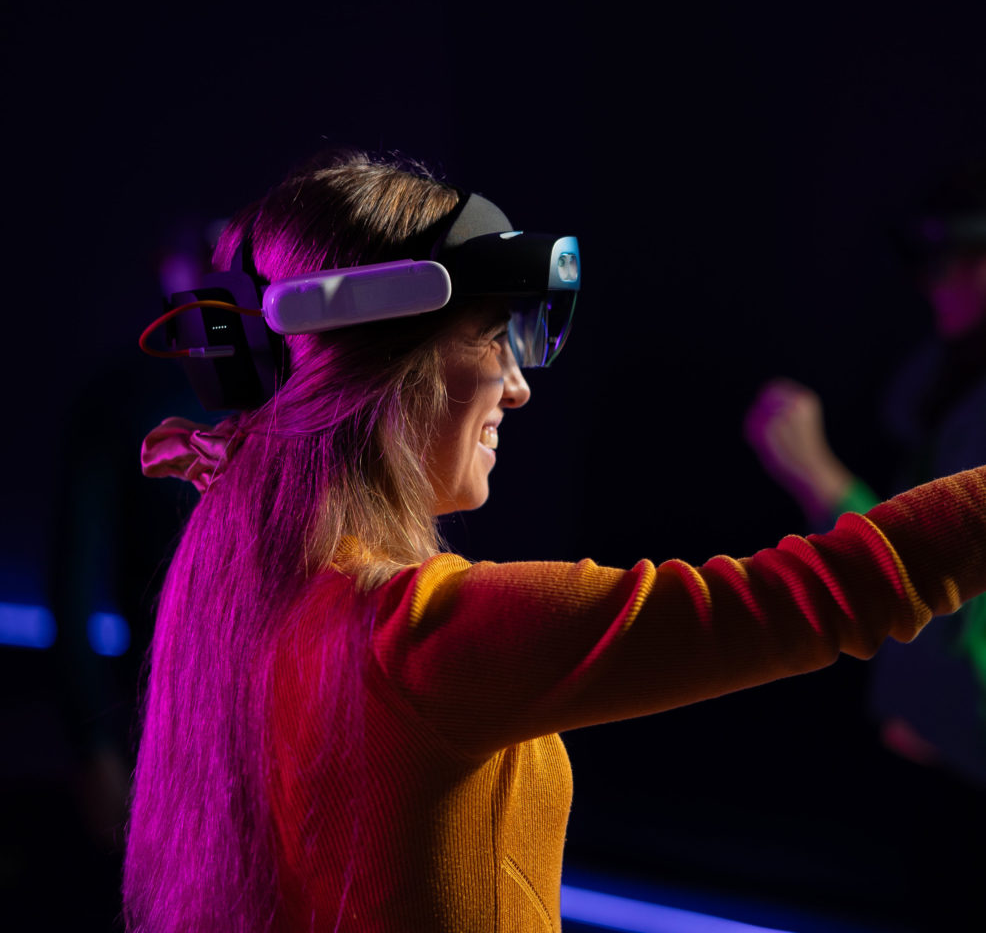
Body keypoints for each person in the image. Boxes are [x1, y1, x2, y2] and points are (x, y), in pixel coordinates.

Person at [124, 149, 986, 933]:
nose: (516, 386)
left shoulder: (240, 597)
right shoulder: (422, 640)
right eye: (496, 337)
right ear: (386, 367)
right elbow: (813, 598)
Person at [744, 161, 986, 784]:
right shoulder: (941, 387)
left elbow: (964, 650)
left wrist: (823, 484)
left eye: (955, 253)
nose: (935, 280)